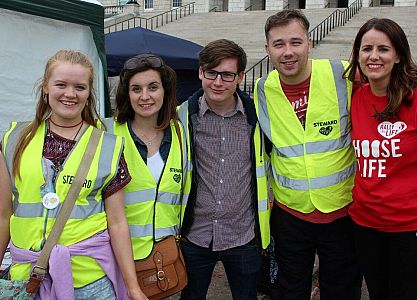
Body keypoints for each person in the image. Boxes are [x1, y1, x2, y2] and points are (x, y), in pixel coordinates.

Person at [0, 50, 147, 300]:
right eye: (61, 84)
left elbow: (118, 222)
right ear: (45, 87)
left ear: (89, 92)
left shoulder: (108, 146)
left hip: (90, 281)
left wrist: (133, 288)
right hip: (27, 279)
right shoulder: (14, 139)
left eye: (79, 87)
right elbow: (3, 215)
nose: (70, 94)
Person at [253, 9, 361, 299]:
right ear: (267, 49)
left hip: (343, 212)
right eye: (278, 44)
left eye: (295, 42)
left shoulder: (343, 73)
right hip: (291, 215)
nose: (288, 52)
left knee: (341, 290)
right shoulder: (261, 89)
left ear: (309, 43)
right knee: (289, 290)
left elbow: (389, 79)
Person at [344, 18, 417, 300]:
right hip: (365, 225)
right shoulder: (356, 98)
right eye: (366, 49)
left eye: (383, 49)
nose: (374, 56)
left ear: (399, 55)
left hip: (409, 228)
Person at [177, 39, 271, 299]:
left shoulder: (258, 117)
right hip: (195, 236)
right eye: (211, 73)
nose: (218, 82)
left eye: (227, 74)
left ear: (240, 76)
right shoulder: (181, 117)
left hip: (243, 236)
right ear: (200, 72)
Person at [104, 53, 187, 263]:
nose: (145, 96)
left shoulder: (181, 132)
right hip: (113, 257)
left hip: (163, 258)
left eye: (153, 87)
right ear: (127, 93)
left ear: (164, 91)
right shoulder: (107, 132)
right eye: (136, 89)